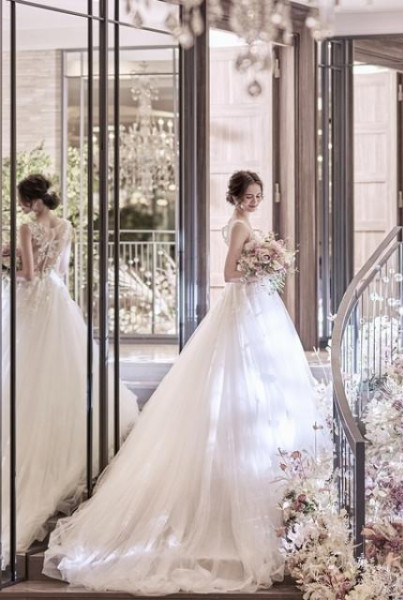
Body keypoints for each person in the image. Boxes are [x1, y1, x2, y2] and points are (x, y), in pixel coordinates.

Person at [43, 170, 322, 595]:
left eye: (258, 196)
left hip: (253, 307)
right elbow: (229, 273)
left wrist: (265, 265)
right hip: (245, 305)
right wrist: (261, 268)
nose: (254, 201)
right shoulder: (240, 226)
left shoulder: (242, 223)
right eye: (249, 196)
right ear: (236, 197)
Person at [1, 174, 139, 564]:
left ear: (32, 200)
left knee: (25, 370)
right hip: (57, 300)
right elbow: (58, 271)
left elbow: (29, 275)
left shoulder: (27, 228)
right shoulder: (66, 226)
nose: (23, 207)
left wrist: (6, 261)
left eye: (23, 200)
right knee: (64, 368)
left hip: (31, 301)